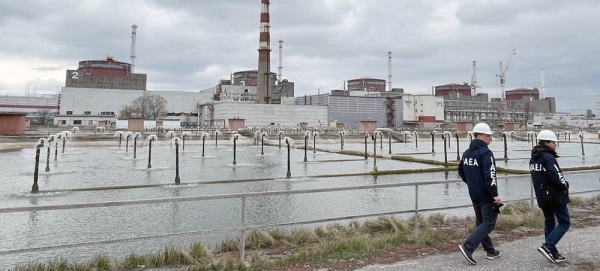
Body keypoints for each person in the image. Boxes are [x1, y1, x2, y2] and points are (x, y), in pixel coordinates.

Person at [457, 122, 502, 265]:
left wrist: (472, 184)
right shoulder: (486, 153)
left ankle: (490, 251)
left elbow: (461, 172)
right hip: (486, 194)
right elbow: (491, 175)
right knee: (488, 224)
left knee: (481, 222)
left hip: (473, 193)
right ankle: (468, 246)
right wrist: (494, 194)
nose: (491, 138)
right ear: (481, 136)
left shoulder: (467, 153)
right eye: (489, 136)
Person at [530, 130, 570, 264]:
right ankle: (547, 246)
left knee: (549, 221)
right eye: (553, 142)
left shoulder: (533, 158)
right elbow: (557, 176)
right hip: (554, 196)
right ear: (546, 143)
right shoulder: (548, 157)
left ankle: (553, 253)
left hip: (541, 196)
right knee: (564, 222)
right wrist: (565, 185)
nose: (555, 145)